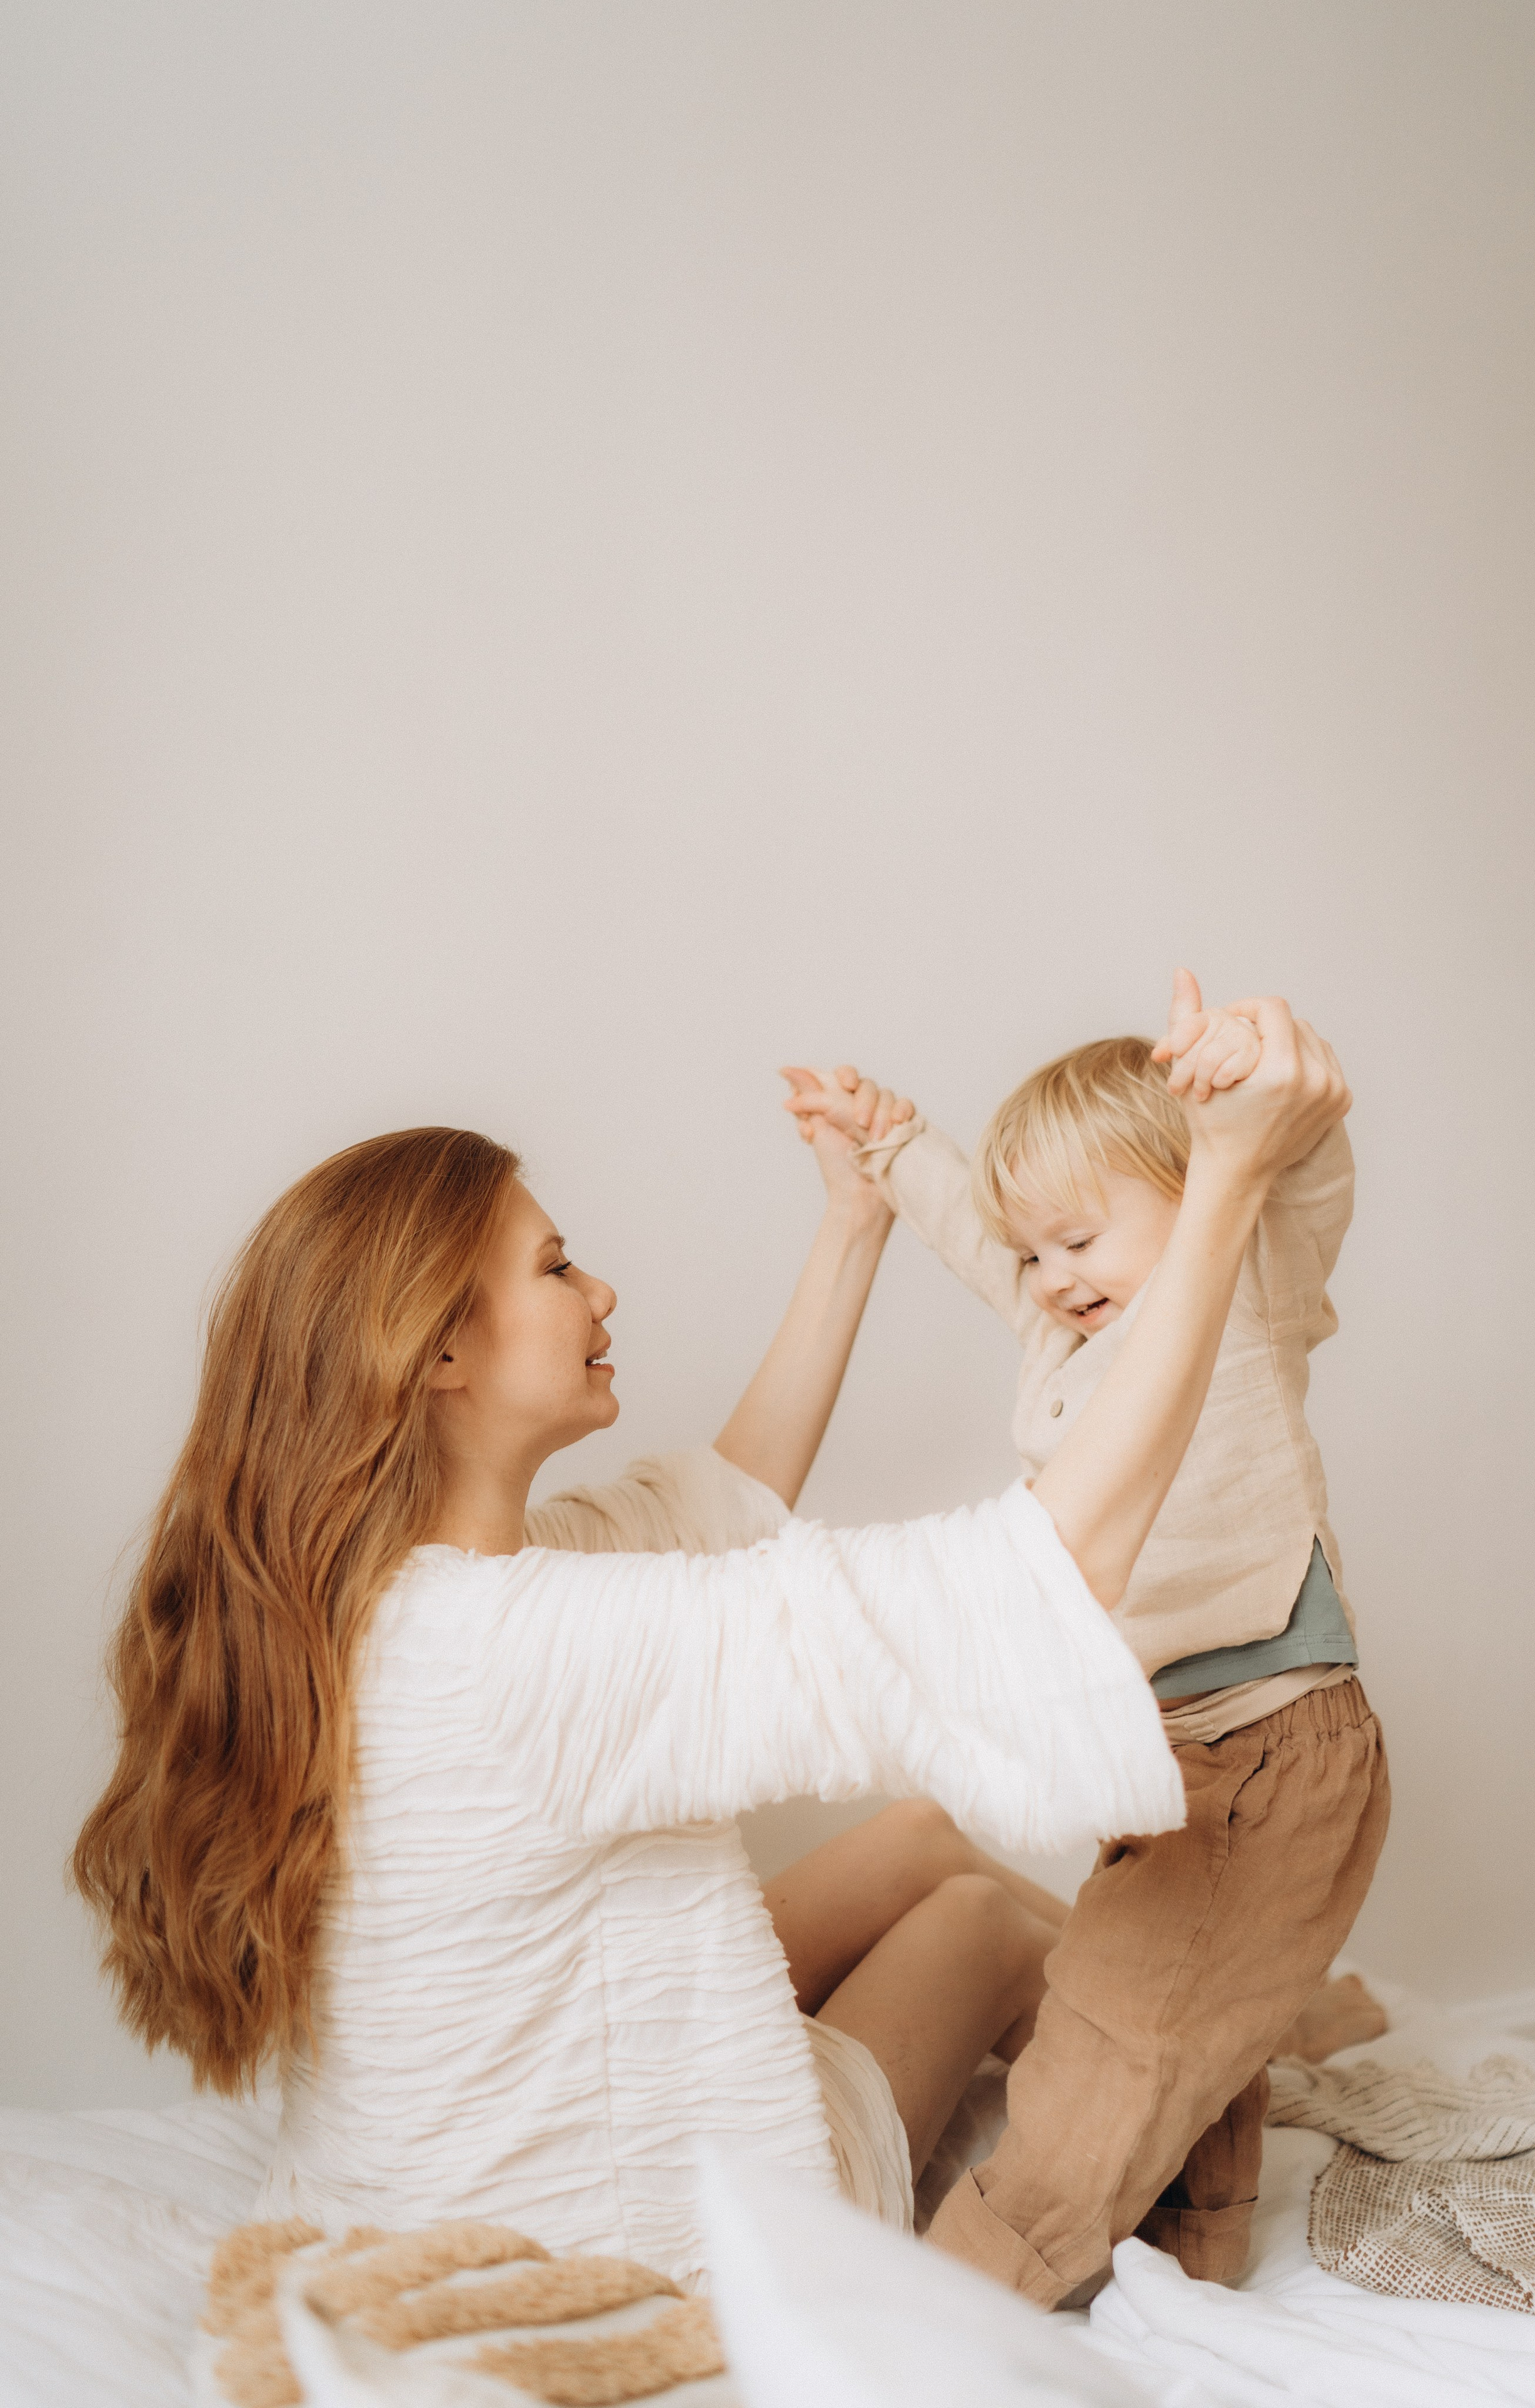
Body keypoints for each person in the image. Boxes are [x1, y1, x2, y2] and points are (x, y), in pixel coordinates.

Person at [73, 987, 1347, 2293]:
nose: (599, 1287)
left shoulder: (403, 1592)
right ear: (441, 1349)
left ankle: (1227, 2013)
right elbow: (1038, 1576)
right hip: (638, 2237)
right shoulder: (513, 1651)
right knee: (976, 1920)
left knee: (915, 1835)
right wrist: (1221, 1196)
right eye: (557, 1266)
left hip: (420, 2175)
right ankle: (1207, 2041)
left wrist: (854, 1222)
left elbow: (721, 1505)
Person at [782, 971, 1389, 2304]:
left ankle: (952, 2315)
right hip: (1149, 1746)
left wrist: (1250, 1094)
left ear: (1201, 1186)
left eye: (1080, 1240)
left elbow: (1301, 1182)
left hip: (1267, 1742)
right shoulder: (1062, 1335)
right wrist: (888, 1144)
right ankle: (1191, 2265)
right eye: (1037, 1252)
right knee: (1181, 2020)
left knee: (1103, 2053)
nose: (1053, 1278)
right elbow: (973, 1237)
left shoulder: (1242, 1276)